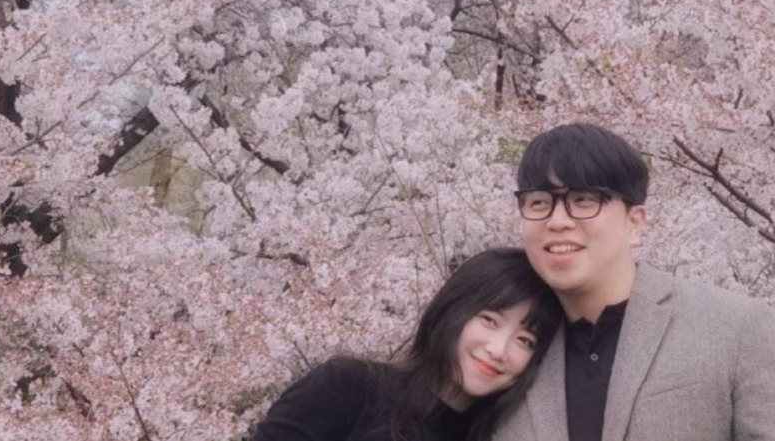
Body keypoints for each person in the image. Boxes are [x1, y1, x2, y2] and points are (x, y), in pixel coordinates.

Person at [494, 123, 775, 441]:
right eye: (538, 202)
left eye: (584, 200)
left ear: (635, 222)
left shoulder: (737, 328)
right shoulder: (497, 347)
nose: (557, 221)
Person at [252, 247, 562, 441]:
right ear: (452, 310)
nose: (498, 349)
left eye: (525, 340)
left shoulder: (503, 435)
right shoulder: (346, 387)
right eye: (489, 320)